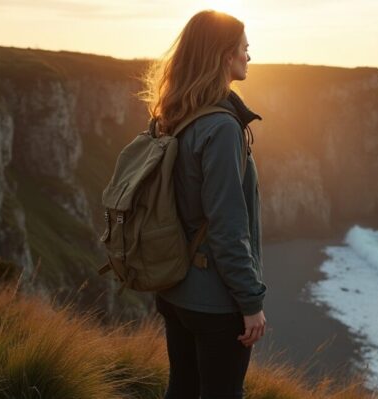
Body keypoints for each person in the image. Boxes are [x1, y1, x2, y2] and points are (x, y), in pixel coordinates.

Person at [139, 9, 267, 399]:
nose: (250, 56)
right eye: (244, 48)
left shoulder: (172, 115)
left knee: (182, 389)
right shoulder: (222, 128)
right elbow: (228, 227)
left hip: (175, 289)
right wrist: (250, 302)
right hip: (214, 301)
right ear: (225, 55)